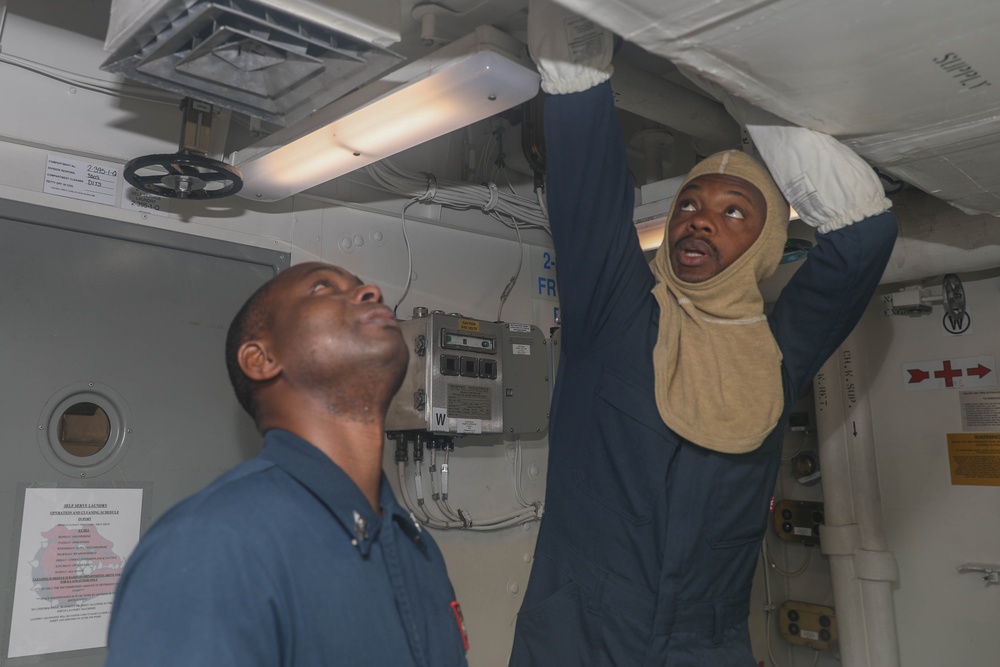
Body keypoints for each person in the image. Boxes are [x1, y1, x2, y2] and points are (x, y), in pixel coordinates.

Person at [509, 2, 898, 665]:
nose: (699, 220)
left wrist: (737, 86)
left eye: (733, 211)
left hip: (705, 647)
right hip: (577, 641)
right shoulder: (615, 317)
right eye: (689, 203)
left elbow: (864, 234)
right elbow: (582, 141)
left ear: (767, 243)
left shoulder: (772, 359)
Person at [105, 262, 469, 667]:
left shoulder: (414, 546)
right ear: (261, 359)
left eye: (364, 286)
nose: (371, 293)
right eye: (321, 288)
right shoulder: (209, 546)